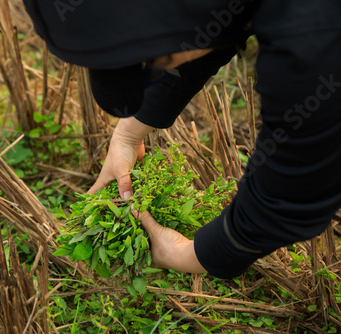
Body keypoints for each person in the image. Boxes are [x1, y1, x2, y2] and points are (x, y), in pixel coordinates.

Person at [23, 0, 341, 278]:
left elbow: (298, 189)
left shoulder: (315, 37)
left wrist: (190, 253)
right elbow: (211, 20)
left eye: (156, 63)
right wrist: (128, 134)